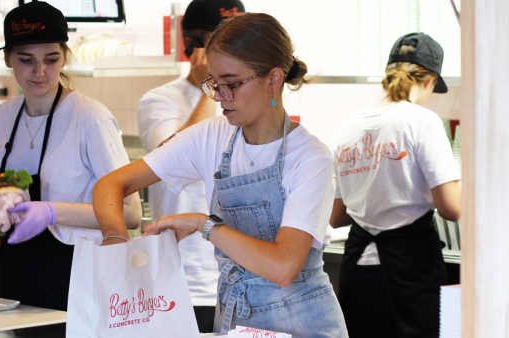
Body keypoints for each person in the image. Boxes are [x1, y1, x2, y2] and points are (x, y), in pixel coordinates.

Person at [94, 13, 347, 337]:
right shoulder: (210, 136)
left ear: (273, 79)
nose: (220, 96)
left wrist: (206, 225)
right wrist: (116, 244)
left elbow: (283, 267)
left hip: (303, 326)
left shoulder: (310, 157)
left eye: (231, 83)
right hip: (234, 321)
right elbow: (112, 183)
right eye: (213, 83)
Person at [0, 0, 141, 311]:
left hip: (75, 284)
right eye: (26, 60)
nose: (40, 72)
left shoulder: (89, 117)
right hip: (13, 281)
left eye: (51, 59)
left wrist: (52, 212)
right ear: (7, 59)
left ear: (65, 57)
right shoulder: (2, 117)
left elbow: (130, 213)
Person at [329, 32, 461, 338]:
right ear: (429, 81)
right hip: (410, 273)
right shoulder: (423, 121)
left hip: (357, 272)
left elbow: (337, 217)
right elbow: (452, 208)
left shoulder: (346, 127)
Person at [136, 0, 244, 332]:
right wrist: (209, 90)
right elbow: (179, 162)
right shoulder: (159, 100)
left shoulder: (247, 102)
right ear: (194, 46)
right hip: (183, 280)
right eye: (224, 42)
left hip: (241, 280)